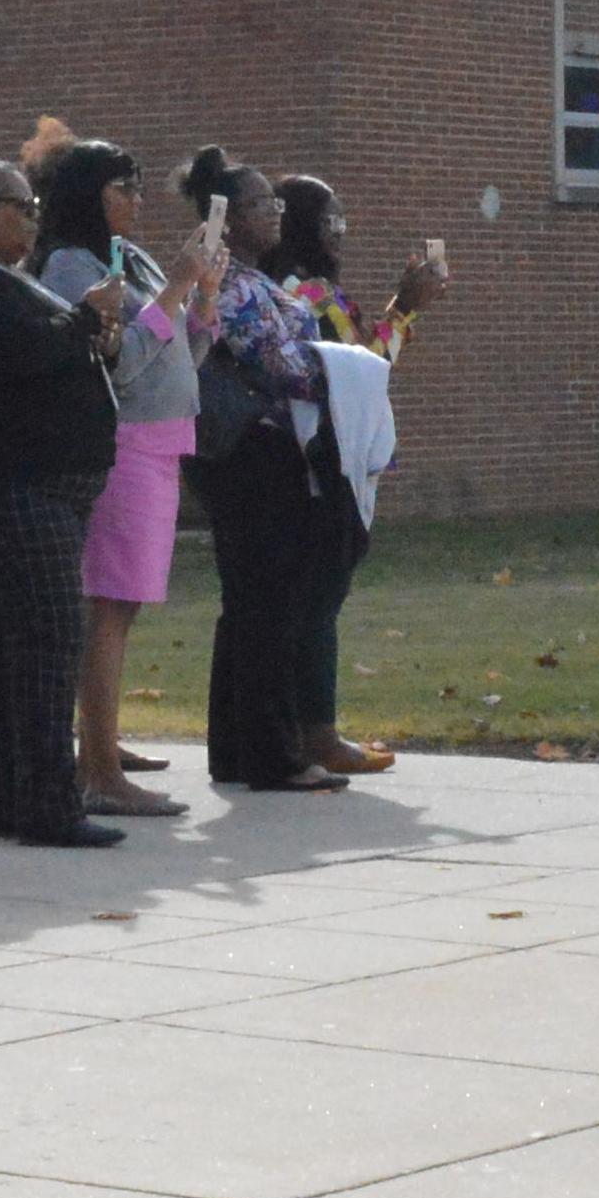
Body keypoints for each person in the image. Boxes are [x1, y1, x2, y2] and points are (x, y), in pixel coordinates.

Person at [0, 157, 131, 847]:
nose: (35, 216)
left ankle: (12, 799)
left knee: (20, 640)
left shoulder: (3, 281)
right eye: (23, 204)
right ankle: (49, 804)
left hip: (44, 487)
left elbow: (49, 353)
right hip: (9, 484)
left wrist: (92, 337)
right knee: (49, 635)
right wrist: (85, 320)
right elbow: (22, 356)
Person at [26, 124, 211, 820]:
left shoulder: (127, 256)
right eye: (122, 187)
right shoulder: (71, 267)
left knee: (124, 604)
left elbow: (181, 344)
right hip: (123, 443)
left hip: (164, 439)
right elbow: (124, 359)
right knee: (108, 602)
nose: (136, 199)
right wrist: (180, 288)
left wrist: (204, 296)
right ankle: (98, 771)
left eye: (138, 185)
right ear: (87, 195)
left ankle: (100, 743)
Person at [269, 174, 446, 777]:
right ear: (299, 226)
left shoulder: (286, 284)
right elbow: (367, 365)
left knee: (295, 601)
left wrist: (400, 309)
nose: (340, 235)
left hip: (300, 458)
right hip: (322, 462)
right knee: (319, 599)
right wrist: (406, 308)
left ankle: (291, 733)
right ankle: (316, 734)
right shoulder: (308, 292)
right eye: (330, 223)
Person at [186, 150, 350, 792]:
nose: (275, 213)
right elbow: (282, 365)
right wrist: (343, 370)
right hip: (249, 454)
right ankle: (274, 756)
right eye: (261, 204)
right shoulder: (228, 283)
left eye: (275, 203)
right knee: (268, 608)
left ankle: (235, 750)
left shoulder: (252, 279)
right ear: (225, 218)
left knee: (248, 607)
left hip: (266, 453)